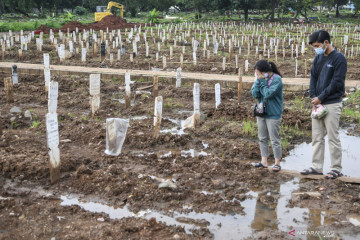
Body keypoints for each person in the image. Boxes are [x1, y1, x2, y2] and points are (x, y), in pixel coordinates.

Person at [300, 30, 347, 179]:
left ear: (326, 42)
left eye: (317, 45)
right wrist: (313, 97)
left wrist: (321, 97)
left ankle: (336, 168)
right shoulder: (318, 57)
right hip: (317, 103)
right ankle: (316, 167)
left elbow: (337, 82)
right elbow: (313, 77)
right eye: (314, 46)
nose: (316, 48)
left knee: (333, 137)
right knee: (317, 137)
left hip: (332, 102)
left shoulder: (339, 59)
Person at [251, 60, 283, 172]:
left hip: (273, 114)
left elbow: (268, 94)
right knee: (262, 138)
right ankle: (263, 162)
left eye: (258, 73)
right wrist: (258, 82)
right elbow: (255, 93)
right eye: (256, 74)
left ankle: (277, 163)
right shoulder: (260, 79)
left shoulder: (276, 79)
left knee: (274, 139)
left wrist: (262, 82)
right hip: (261, 113)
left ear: (265, 72)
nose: (257, 75)